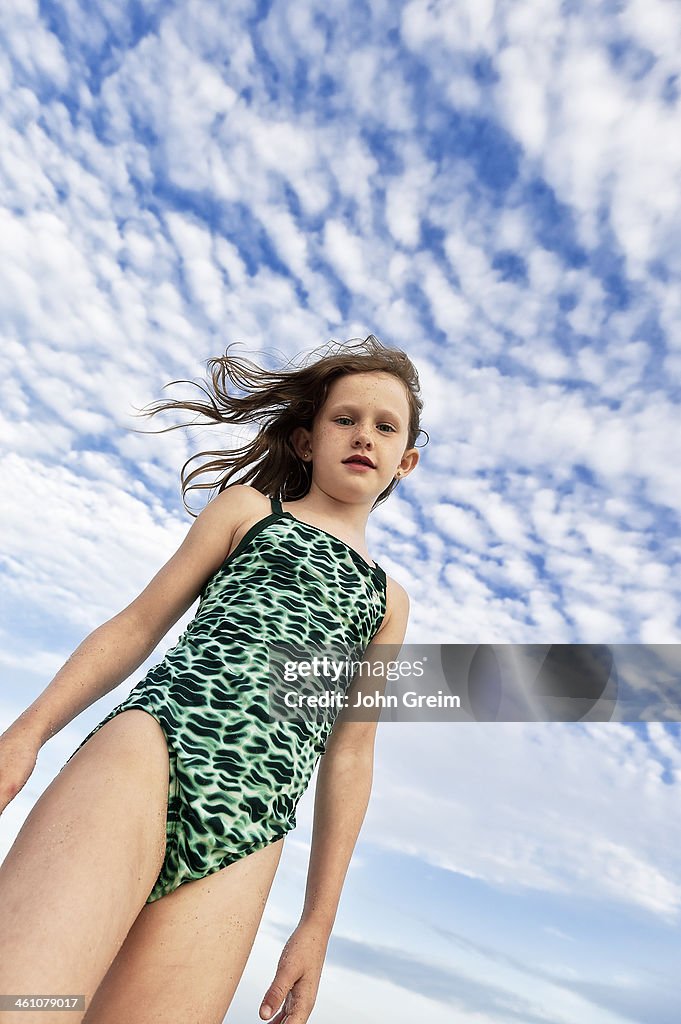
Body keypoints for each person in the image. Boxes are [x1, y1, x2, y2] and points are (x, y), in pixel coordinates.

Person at [0, 334, 426, 1024]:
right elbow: (137, 626)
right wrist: (28, 732)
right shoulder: (249, 514)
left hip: (251, 827)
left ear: (404, 461)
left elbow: (350, 753)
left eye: (384, 427)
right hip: (151, 753)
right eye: (344, 419)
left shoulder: (389, 602)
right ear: (305, 441)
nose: (362, 437)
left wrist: (317, 923)